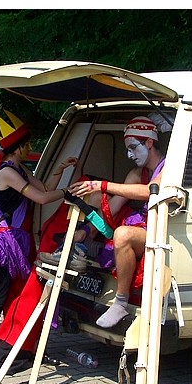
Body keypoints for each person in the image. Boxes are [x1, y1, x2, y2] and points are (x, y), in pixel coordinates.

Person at [0, 110, 76, 352]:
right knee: (1, 290)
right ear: (19, 147)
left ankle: (11, 335)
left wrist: (61, 170)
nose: (29, 147)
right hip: (3, 241)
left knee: (17, 289)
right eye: (27, 144)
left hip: (17, 238)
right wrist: (67, 193)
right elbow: (42, 198)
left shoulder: (20, 169)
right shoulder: (8, 173)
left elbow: (44, 187)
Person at [68, 116, 166, 329]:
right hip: (142, 225)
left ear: (149, 142)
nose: (129, 154)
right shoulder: (135, 173)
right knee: (98, 202)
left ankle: (120, 302)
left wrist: (104, 185)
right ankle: (85, 245)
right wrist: (88, 230)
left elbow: (149, 191)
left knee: (122, 233)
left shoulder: (168, 167)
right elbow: (113, 206)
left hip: (163, 230)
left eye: (133, 147)